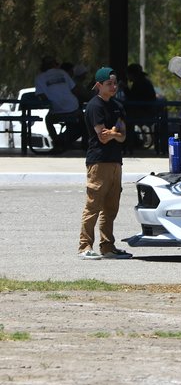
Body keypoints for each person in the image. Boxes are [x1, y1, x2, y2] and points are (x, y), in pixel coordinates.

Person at [77, 67, 133, 260]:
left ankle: (107, 247)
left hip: (116, 162)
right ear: (99, 85)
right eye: (109, 83)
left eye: (115, 83)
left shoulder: (118, 105)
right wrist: (112, 134)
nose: (113, 86)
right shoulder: (95, 106)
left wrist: (114, 134)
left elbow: (123, 135)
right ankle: (85, 246)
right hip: (98, 162)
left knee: (111, 207)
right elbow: (102, 137)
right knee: (93, 206)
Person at [34, 55, 84, 152]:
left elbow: (42, 96)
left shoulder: (39, 78)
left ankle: (57, 143)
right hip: (73, 107)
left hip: (57, 109)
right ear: (54, 64)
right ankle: (86, 143)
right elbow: (74, 89)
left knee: (48, 120)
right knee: (83, 119)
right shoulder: (62, 73)